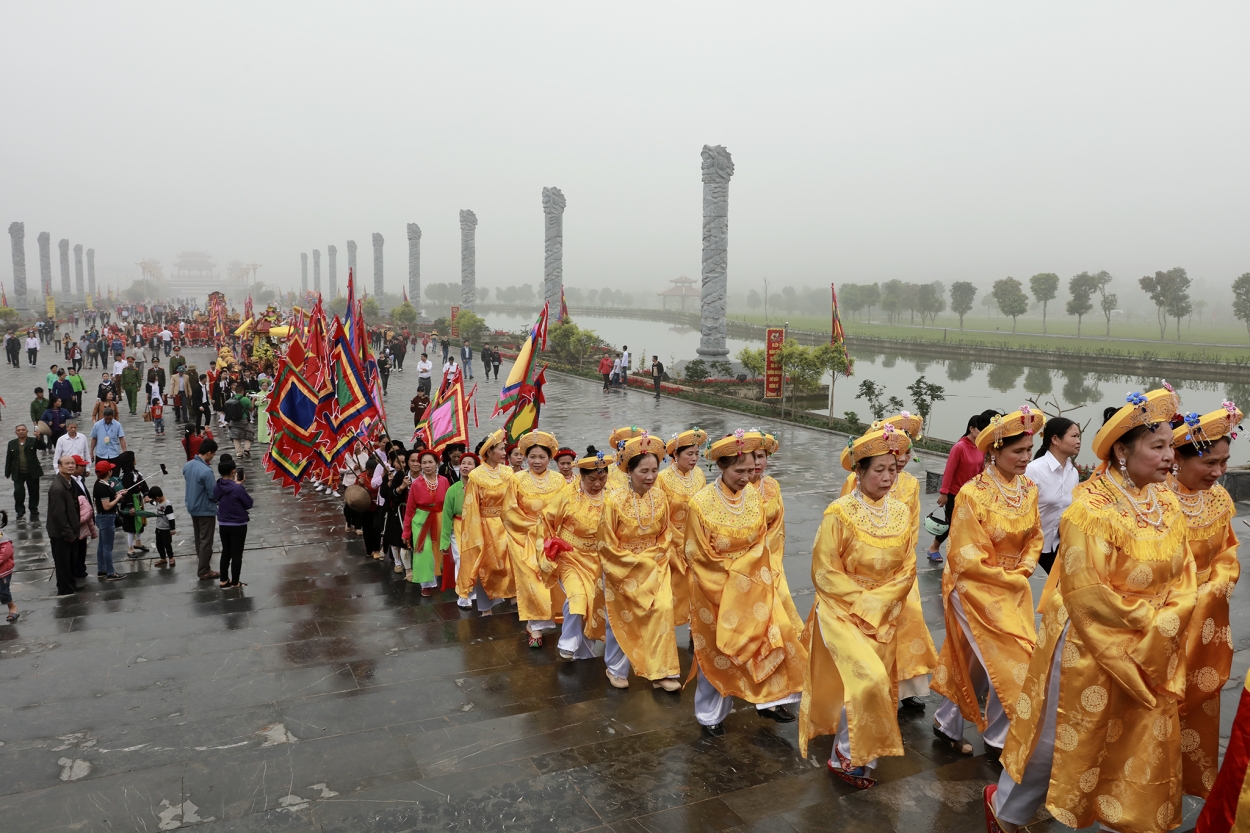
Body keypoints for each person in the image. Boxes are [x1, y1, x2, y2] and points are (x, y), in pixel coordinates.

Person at [989, 388, 1193, 833]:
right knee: (1057, 740)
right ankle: (1006, 811)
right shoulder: (1089, 508)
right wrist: (1149, 624)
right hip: (1089, 643)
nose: (1167, 457)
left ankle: (1117, 815)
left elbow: (1186, 577)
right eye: (1156, 447)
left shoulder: (1169, 503)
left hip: (1152, 647)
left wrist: (1164, 627)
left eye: (1169, 447)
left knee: (1134, 739)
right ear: (1122, 448)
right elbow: (1087, 591)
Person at [800, 423, 919, 789]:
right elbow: (824, 570)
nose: (887, 478)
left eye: (893, 470)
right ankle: (845, 756)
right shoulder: (839, 512)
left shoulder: (900, 512)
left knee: (874, 684)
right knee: (868, 680)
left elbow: (908, 567)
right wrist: (862, 602)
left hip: (885, 612)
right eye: (879, 470)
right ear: (860, 472)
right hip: (842, 610)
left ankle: (851, 754)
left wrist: (882, 603)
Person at [931, 407, 1044, 760]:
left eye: (1029, 450)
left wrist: (1024, 568)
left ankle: (946, 722)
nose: (1026, 458)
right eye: (1018, 452)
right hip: (974, 587)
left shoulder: (1028, 489)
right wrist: (1005, 576)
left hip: (1013, 585)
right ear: (994, 451)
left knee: (979, 659)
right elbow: (965, 555)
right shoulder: (972, 494)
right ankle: (999, 738)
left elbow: (1036, 535)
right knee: (1014, 662)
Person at [686, 431, 807, 736]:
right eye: (738, 471)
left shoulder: (753, 495)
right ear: (722, 468)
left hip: (754, 584)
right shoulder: (700, 503)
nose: (745, 478)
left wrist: (756, 573)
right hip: (715, 590)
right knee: (717, 654)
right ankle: (710, 714)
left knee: (774, 636)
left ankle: (770, 698)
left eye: (750, 471)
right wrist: (735, 579)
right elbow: (697, 555)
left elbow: (761, 539)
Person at [839, 413, 939, 712]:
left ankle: (907, 689)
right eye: (897, 452)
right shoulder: (854, 481)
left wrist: (902, 567)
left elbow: (912, 529)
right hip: (864, 570)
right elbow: (846, 527)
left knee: (908, 623)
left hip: (899, 569)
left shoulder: (909, 484)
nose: (903, 459)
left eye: (907, 452)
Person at [1169, 405, 1241, 801]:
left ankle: (1185, 784)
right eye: (1208, 462)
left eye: (1224, 462)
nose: (1218, 472)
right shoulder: (1155, 503)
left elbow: (1228, 554)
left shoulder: (1218, 499)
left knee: (1198, 705)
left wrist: (1215, 587)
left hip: (1205, 621)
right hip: (1166, 621)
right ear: (1176, 457)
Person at [596, 434, 683, 691]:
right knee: (622, 617)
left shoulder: (660, 498)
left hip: (655, 564)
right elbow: (606, 543)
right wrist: (634, 562)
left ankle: (662, 671)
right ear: (629, 471)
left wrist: (654, 558)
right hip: (621, 566)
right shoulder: (613, 500)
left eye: (655, 470)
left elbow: (666, 533)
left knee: (663, 609)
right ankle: (615, 668)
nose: (650, 476)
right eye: (643, 470)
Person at [538, 446, 608, 653]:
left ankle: (585, 649)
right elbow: (546, 520)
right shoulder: (567, 495)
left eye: (602, 479)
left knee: (595, 603)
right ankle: (567, 642)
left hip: (600, 558)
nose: (597, 484)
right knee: (577, 596)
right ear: (581, 476)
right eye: (591, 479)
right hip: (572, 557)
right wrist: (551, 546)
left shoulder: (613, 496)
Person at [503, 431, 569, 647]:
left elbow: (566, 508)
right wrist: (535, 528)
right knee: (532, 582)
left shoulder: (559, 480)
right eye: (533, 457)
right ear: (525, 457)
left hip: (551, 539)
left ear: (549, 458)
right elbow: (509, 510)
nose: (537, 461)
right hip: (524, 538)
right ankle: (537, 629)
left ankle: (547, 621)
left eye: (542, 457)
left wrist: (553, 531)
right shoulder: (517, 479)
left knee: (552, 580)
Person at [457, 430, 513, 614]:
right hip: (485, 524)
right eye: (501, 449)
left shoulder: (508, 472)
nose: (505, 452)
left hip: (507, 523)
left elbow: (514, 499)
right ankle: (485, 606)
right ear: (489, 452)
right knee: (484, 565)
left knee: (512, 561)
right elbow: (471, 506)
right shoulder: (476, 476)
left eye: (504, 449)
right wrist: (475, 531)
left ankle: (513, 596)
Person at [657, 429, 708, 630]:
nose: (694, 458)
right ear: (675, 455)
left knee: (697, 585)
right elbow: (661, 515)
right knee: (671, 587)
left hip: (695, 538)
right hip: (671, 539)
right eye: (689, 454)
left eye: (696, 453)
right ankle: (665, 626)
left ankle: (695, 627)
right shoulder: (662, 478)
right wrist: (678, 539)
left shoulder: (700, 475)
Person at [927, 411, 993, 562]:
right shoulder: (959, 447)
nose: (983, 433)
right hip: (954, 493)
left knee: (966, 525)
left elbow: (979, 469)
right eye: (980, 430)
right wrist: (944, 492)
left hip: (970, 494)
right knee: (953, 525)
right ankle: (934, 548)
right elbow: (949, 471)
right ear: (971, 429)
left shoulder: (980, 448)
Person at [1024, 417, 1081, 574]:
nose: (1078, 441)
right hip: (1028, 545)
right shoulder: (1033, 470)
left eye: (1079, 437)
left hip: (1055, 545)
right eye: (1074, 436)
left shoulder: (1073, 473)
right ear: (1055, 439)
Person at [402, 449, 448, 596]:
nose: (427, 465)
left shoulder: (444, 481)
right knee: (424, 550)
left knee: (438, 550)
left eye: (430, 462)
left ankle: (436, 578)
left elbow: (448, 504)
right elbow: (410, 509)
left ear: (436, 464)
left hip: (440, 517)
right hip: (421, 520)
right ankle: (425, 583)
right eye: (424, 463)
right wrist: (406, 531)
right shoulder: (415, 484)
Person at [213, 455, 252, 589]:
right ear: (233, 471)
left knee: (226, 551)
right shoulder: (237, 489)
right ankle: (235, 582)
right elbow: (249, 503)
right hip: (238, 524)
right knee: (237, 554)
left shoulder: (217, 485)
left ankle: (223, 580)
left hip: (223, 523)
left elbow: (215, 498)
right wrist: (239, 486)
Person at [183, 438, 220, 581]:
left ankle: (203, 565)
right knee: (206, 540)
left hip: (192, 506)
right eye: (213, 454)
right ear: (209, 453)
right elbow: (213, 493)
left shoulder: (188, 465)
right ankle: (204, 570)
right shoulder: (206, 471)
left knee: (199, 538)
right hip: (205, 509)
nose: (213, 457)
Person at [46, 455, 82, 595]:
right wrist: (68, 533)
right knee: (63, 563)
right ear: (59, 466)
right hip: (60, 533)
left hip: (71, 530)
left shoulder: (70, 481)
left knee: (70, 560)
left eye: (72, 463)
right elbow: (59, 514)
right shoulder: (57, 488)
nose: (71, 466)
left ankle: (71, 584)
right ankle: (65, 589)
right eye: (67, 464)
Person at [91, 459, 127, 581]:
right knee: (107, 547)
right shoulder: (103, 487)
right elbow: (107, 506)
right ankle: (110, 572)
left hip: (102, 517)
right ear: (109, 472)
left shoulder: (100, 484)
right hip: (107, 518)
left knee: (102, 545)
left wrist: (118, 494)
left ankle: (102, 569)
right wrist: (118, 498)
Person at [115, 451, 149, 556]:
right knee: (131, 527)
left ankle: (138, 542)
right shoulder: (127, 477)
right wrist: (130, 506)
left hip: (138, 501)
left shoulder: (136, 473)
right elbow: (127, 492)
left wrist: (146, 494)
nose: (135, 459)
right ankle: (130, 548)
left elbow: (143, 484)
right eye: (134, 458)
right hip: (131, 502)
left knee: (140, 522)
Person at [6, 424, 42, 521]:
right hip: (18, 472)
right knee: (18, 492)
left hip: (32, 472)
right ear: (16, 432)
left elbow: (42, 446)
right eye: (19, 430)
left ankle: (33, 508)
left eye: (23, 430)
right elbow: (9, 458)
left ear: (27, 431)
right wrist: (7, 471)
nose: (21, 431)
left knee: (34, 491)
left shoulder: (33, 441)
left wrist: (38, 437)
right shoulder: (12, 443)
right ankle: (20, 511)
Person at [223, 381, 253, 458]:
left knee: (235, 436)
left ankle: (239, 453)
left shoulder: (230, 399)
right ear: (243, 391)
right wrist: (253, 400)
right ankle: (246, 449)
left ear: (235, 391)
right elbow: (251, 409)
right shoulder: (245, 399)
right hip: (243, 419)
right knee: (249, 433)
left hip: (233, 420)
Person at [149, 486, 177, 568]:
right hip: (159, 527)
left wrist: (172, 529)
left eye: (154, 499)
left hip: (166, 529)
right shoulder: (158, 502)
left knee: (167, 544)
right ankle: (163, 558)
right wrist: (149, 500)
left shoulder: (167, 505)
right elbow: (154, 503)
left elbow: (171, 518)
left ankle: (171, 557)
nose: (154, 501)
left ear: (157, 497)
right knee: (159, 544)